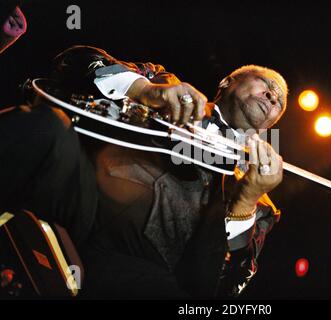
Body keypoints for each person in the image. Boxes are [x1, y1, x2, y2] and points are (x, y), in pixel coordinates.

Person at [0, 45, 287, 298]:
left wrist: (245, 202)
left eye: (279, 102)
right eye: (266, 84)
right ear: (228, 81)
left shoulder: (260, 204)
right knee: (47, 125)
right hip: (81, 196)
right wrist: (143, 90)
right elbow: (74, 60)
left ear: (269, 127)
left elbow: (224, 290)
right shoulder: (163, 83)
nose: (273, 97)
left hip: (136, 266)